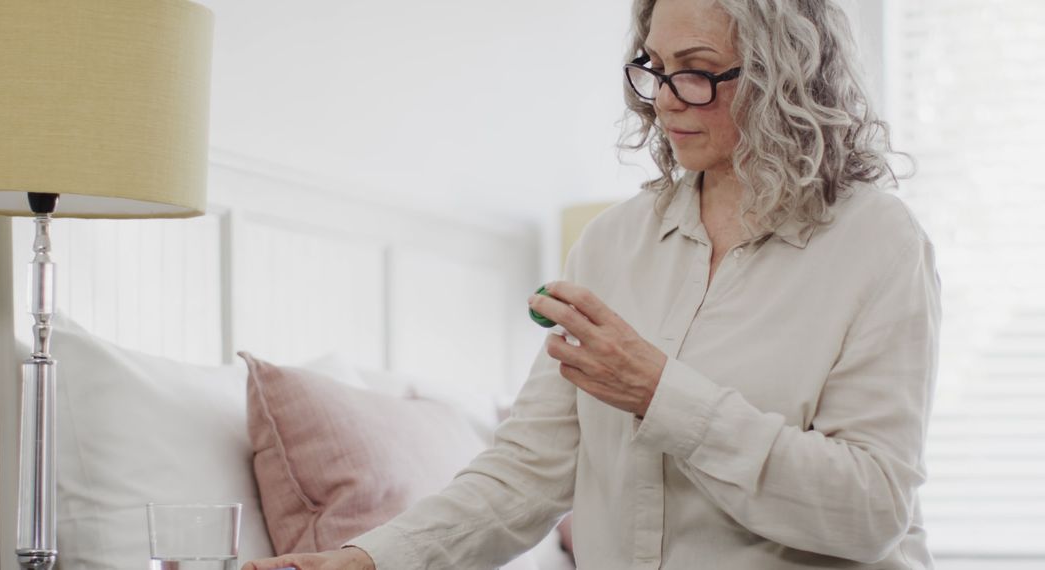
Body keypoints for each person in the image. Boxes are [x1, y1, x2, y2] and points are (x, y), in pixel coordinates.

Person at [245, 0, 940, 567]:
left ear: (786, 72)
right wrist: (366, 560)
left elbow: (871, 512)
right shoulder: (612, 244)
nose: (665, 102)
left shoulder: (877, 243)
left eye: (696, 72)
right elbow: (527, 472)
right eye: (655, 68)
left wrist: (661, 393)